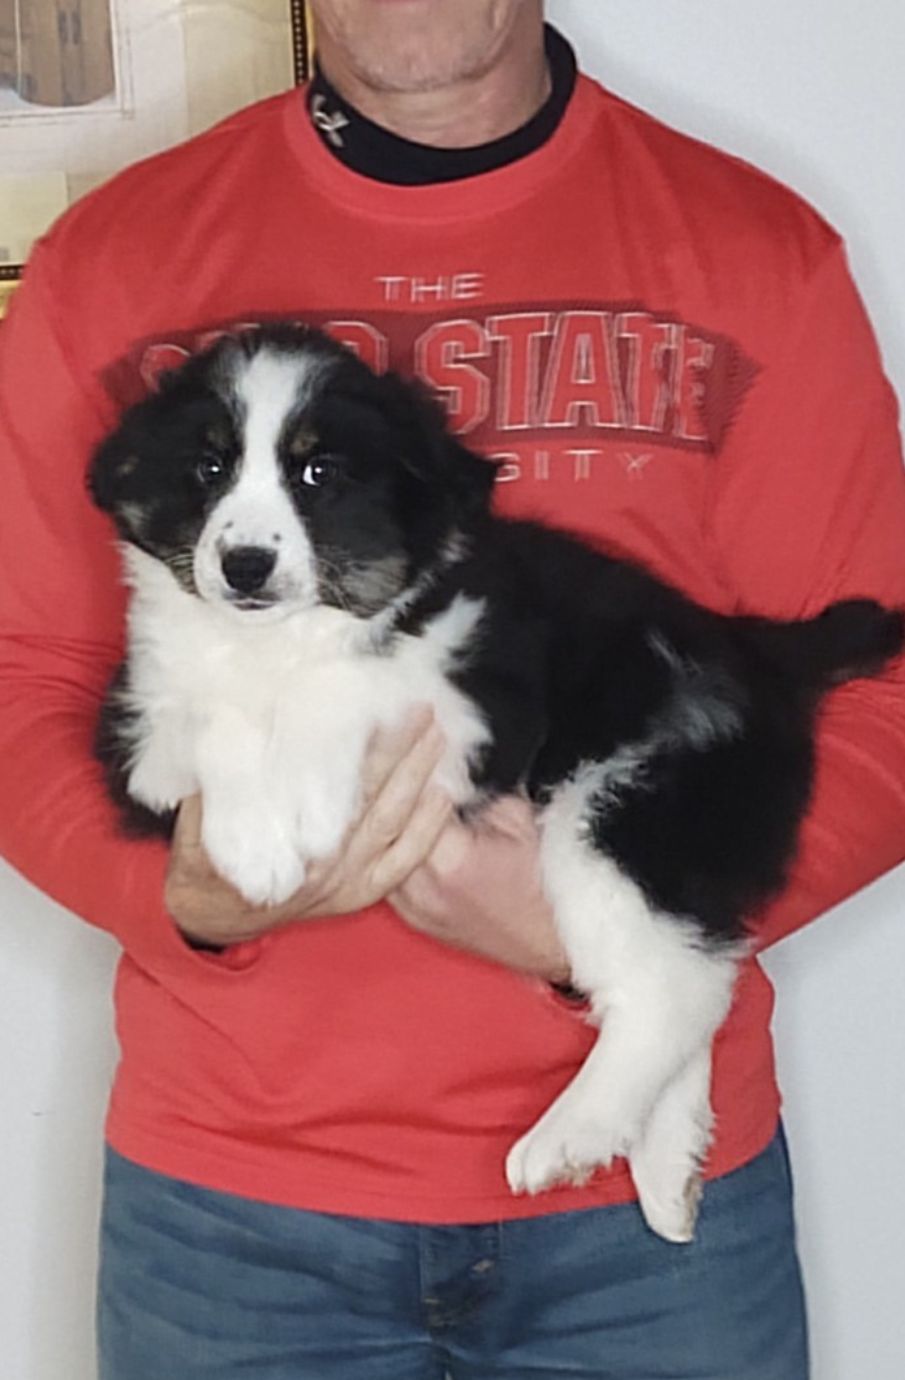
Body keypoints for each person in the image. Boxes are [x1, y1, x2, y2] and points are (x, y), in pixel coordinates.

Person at [1, 1, 904, 1375]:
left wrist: (597, 929)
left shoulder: (752, 254)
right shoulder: (116, 261)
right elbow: (18, 675)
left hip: (649, 1245)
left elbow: (882, 695)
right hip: (234, 1217)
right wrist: (175, 899)